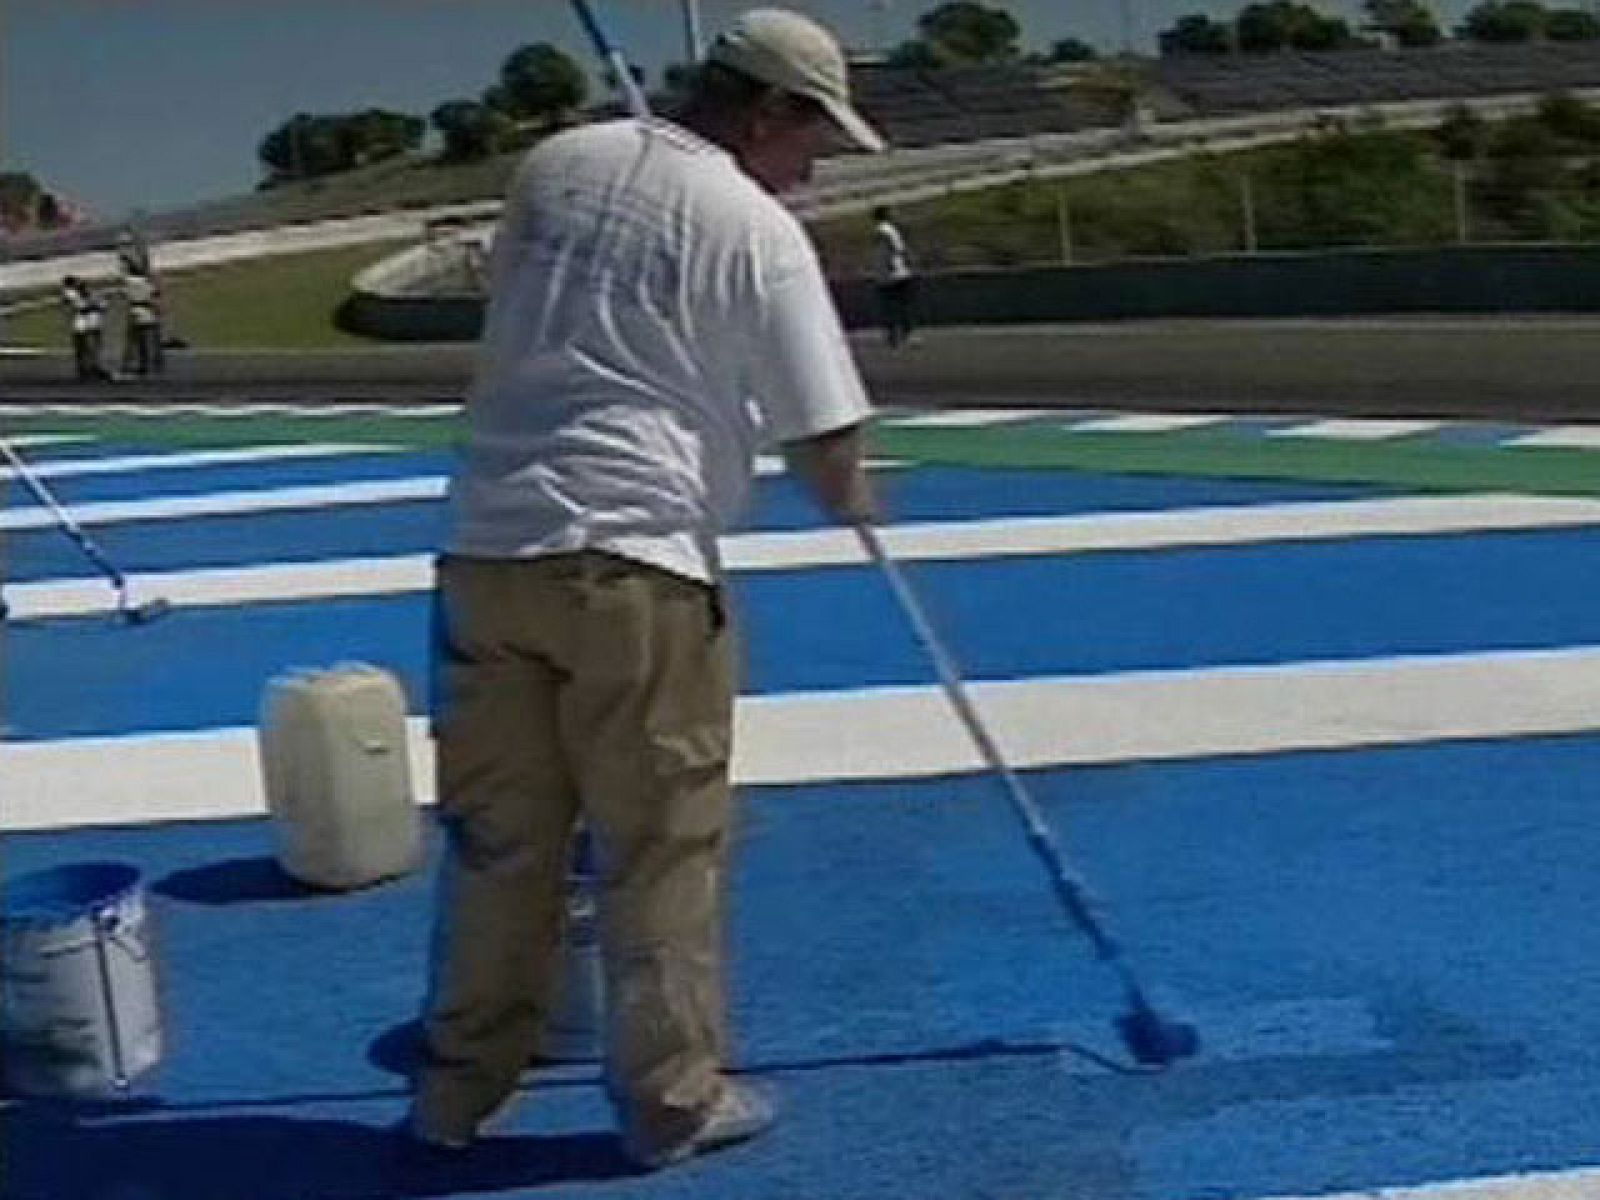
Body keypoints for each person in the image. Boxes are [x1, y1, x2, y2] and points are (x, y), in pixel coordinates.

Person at [408, 6, 886, 1173]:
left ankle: (456, 1095)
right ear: (766, 109)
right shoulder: (755, 227)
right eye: (810, 134)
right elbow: (826, 436)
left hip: (486, 551)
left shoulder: (553, 165)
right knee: (658, 847)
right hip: (636, 564)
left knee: (497, 845)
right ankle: (670, 1102)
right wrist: (853, 501)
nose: (813, 162)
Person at [872, 204, 917, 348]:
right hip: (896, 273)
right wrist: (907, 261)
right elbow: (897, 249)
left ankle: (893, 335)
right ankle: (904, 335)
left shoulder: (881, 230)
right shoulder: (888, 230)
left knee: (890, 306)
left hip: (885, 274)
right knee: (902, 304)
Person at [59, 276, 110, 381]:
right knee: (85, 347)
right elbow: (81, 306)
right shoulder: (71, 293)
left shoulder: (81, 293)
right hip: (84, 323)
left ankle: (90, 367)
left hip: (88, 322)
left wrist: (94, 302)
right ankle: (87, 368)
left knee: (88, 347)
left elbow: (100, 305)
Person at [120, 268, 164, 377]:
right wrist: (158, 310)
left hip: (135, 314)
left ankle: (133, 363)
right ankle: (156, 361)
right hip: (147, 315)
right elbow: (154, 298)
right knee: (151, 339)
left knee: (136, 341)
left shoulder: (130, 284)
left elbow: (124, 294)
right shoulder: (146, 285)